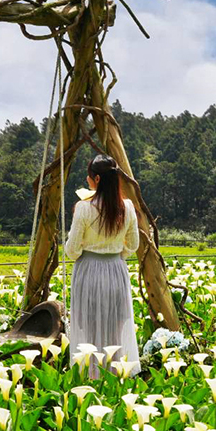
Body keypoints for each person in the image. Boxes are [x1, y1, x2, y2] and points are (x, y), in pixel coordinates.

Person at [64, 154, 141, 378]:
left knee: (88, 324)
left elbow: (72, 250)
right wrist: (114, 255)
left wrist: (91, 253)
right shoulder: (127, 207)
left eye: (89, 177)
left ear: (96, 179)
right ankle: (114, 374)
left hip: (88, 270)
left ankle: (90, 374)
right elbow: (133, 246)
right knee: (115, 324)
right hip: (116, 271)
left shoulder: (84, 208)